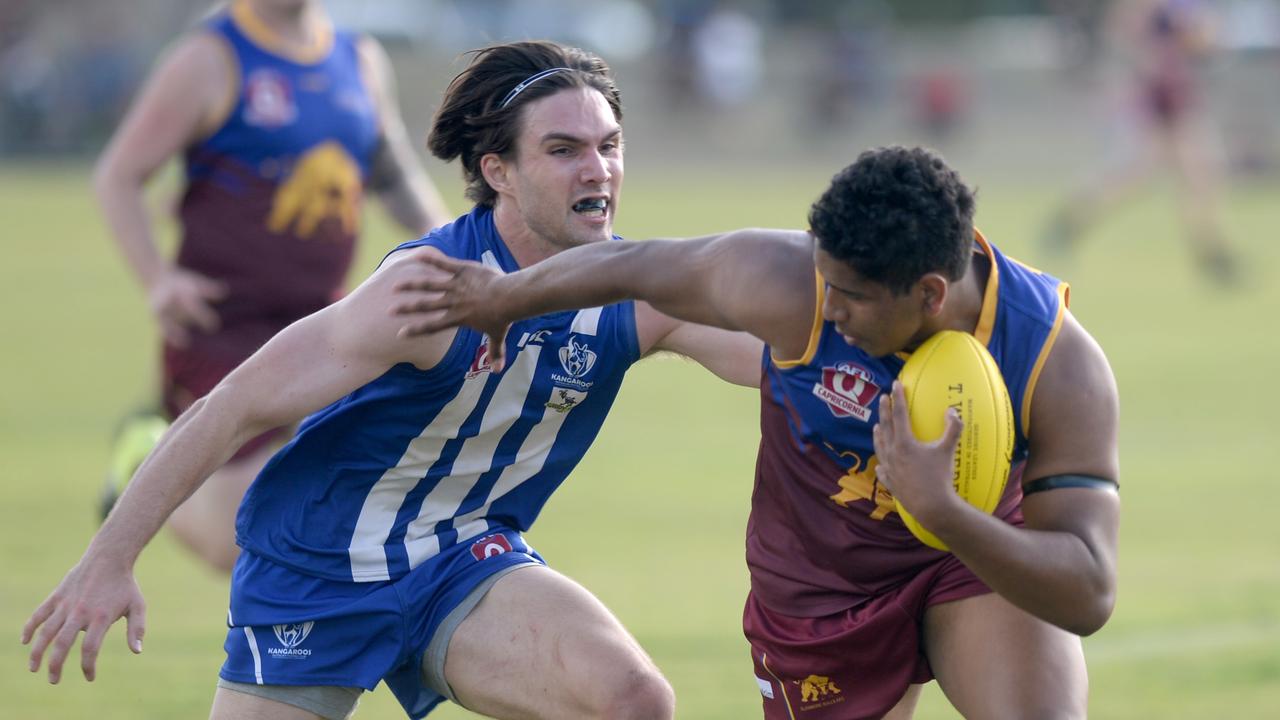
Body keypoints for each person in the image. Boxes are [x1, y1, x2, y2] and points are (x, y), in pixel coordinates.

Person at [24, 40, 761, 719]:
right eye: (563, 150)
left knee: (633, 700)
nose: (597, 169)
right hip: (318, 566)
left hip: (462, 559)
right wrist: (108, 561)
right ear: (497, 172)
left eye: (609, 146)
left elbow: (778, 362)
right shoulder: (423, 295)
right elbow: (234, 407)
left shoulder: (637, 293)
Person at [392, 145, 1122, 719]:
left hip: (970, 552)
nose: (826, 309)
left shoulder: (1056, 362)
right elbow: (633, 265)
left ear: (930, 293)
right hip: (819, 579)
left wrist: (947, 516)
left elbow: (1087, 591)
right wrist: (503, 297)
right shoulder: (786, 279)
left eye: (852, 298)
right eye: (824, 281)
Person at [93, 0, 452, 572]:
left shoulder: (358, 58)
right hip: (222, 324)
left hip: (328, 323)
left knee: (348, 502)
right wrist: (158, 281)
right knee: (232, 544)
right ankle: (146, 459)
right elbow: (118, 176)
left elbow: (388, 170)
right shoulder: (210, 57)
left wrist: (448, 245)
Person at [1042, 0, 1237, 284]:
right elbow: (1131, 30)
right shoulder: (1153, 9)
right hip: (1161, 98)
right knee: (1146, 174)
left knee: (1195, 175)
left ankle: (1212, 252)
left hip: (1175, 95)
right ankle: (1068, 223)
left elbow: (1201, 40)